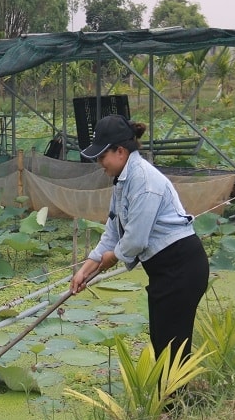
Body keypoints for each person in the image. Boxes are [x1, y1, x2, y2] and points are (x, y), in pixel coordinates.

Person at [70, 114, 209, 367]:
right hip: (164, 271)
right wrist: (85, 269)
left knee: (172, 344)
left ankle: (175, 403)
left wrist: (111, 258)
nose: (100, 163)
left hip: (181, 266)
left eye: (102, 157)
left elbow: (134, 240)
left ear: (120, 151)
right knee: (161, 340)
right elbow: (113, 231)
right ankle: (171, 403)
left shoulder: (144, 181)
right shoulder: (123, 181)